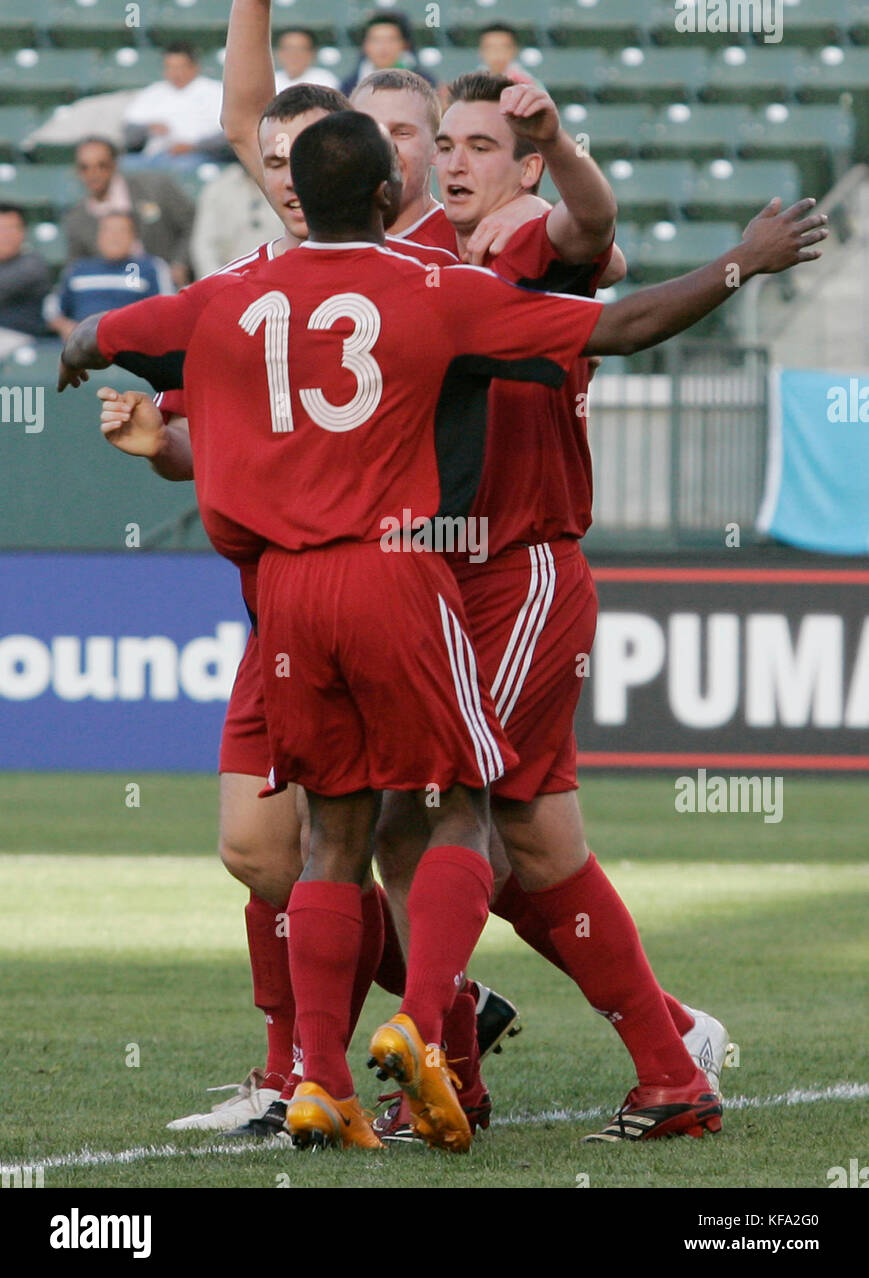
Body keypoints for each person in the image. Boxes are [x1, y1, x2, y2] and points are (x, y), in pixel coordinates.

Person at [59, 112, 827, 1149]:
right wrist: (740, 262)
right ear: (388, 196)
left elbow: (111, 332)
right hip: (396, 573)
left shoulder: (230, 294)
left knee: (338, 833)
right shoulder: (434, 289)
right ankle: (430, 1033)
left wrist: (79, 349)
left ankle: (322, 1079)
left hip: (283, 595)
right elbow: (620, 324)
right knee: (454, 811)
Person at [66, 137, 194, 288]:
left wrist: (180, 263)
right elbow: (78, 269)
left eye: (102, 165)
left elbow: (192, 224)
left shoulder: (155, 188)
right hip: (117, 293)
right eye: (84, 167)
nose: (93, 174)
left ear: (114, 165)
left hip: (168, 284)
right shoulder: (76, 219)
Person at [45, 211, 173, 343]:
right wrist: (65, 327)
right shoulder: (78, 269)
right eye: (108, 231)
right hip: (83, 349)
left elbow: (168, 310)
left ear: (133, 237)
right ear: (98, 236)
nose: (114, 237)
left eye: (121, 231)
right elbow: (52, 309)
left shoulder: (150, 267)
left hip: (133, 348)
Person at [123, 44, 229, 172]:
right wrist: (148, 128)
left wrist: (193, 146)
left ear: (195, 67)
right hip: (154, 156)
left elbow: (226, 136)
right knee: (124, 165)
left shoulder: (215, 92)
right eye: (170, 67)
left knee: (181, 166)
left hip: (199, 155)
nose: (175, 73)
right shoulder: (152, 93)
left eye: (180, 67)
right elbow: (129, 131)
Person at [189, 163, 283, 277]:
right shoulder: (219, 188)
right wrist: (219, 284)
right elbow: (204, 247)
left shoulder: (288, 182)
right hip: (231, 280)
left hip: (281, 276)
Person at [340, 11, 436, 96]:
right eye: (376, 40)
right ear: (365, 46)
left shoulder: (425, 84)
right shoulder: (349, 87)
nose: (383, 47)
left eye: (391, 40)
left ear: (405, 45)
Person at [0, 204, 52, 359]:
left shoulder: (32, 264)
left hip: (19, 338)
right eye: (1, 229)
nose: (6, 235)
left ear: (23, 232)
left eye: (12, 228)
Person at [273, 28, 339, 92]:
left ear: (313, 53)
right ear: (278, 53)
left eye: (300, 49)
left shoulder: (325, 80)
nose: (294, 55)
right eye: (288, 49)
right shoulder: (271, 81)